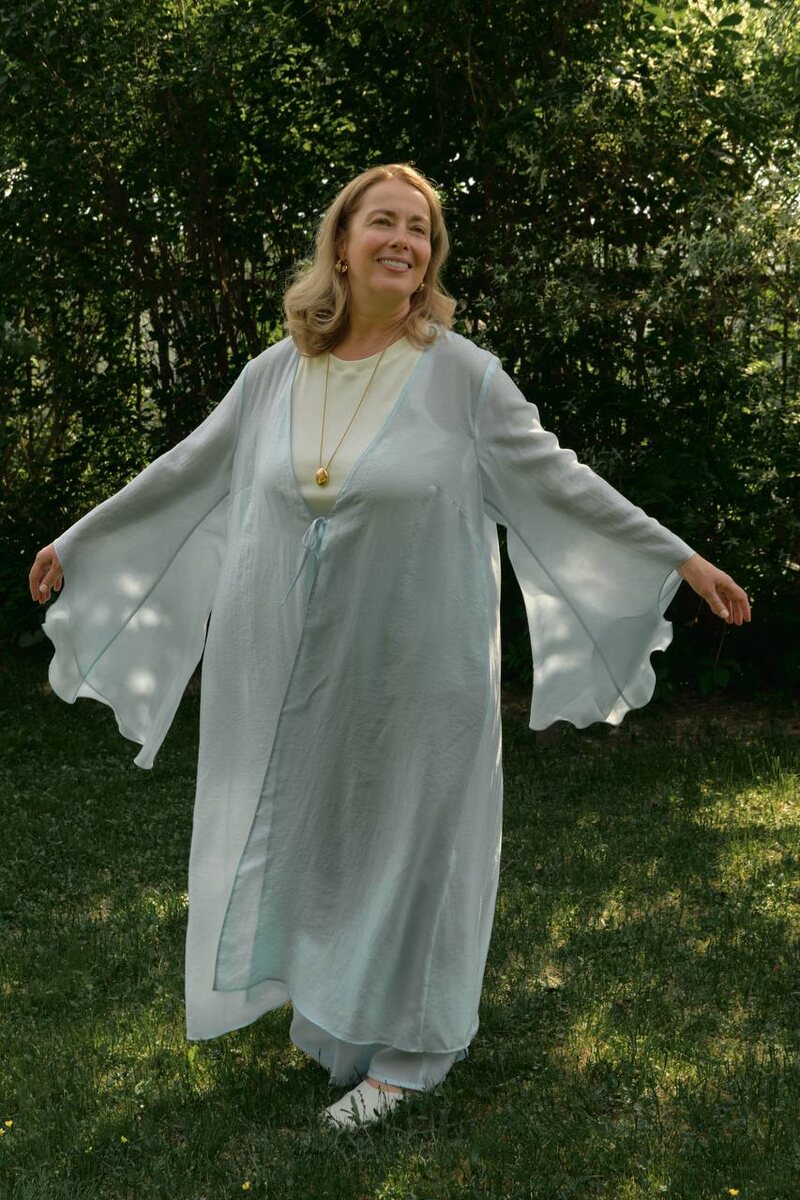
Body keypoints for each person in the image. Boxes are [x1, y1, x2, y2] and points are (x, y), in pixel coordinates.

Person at [29, 162, 751, 1130]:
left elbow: (560, 482)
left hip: (426, 669)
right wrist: (80, 541)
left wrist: (677, 558)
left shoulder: (463, 377)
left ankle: (415, 1054)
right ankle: (348, 1021)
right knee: (335, 841)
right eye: (383, 222)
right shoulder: (278, 372)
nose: (403, 241)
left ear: (429, 257)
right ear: (342, 242)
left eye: (420, 229)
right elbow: (188, 468)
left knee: (422, 849)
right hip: (310, 673)